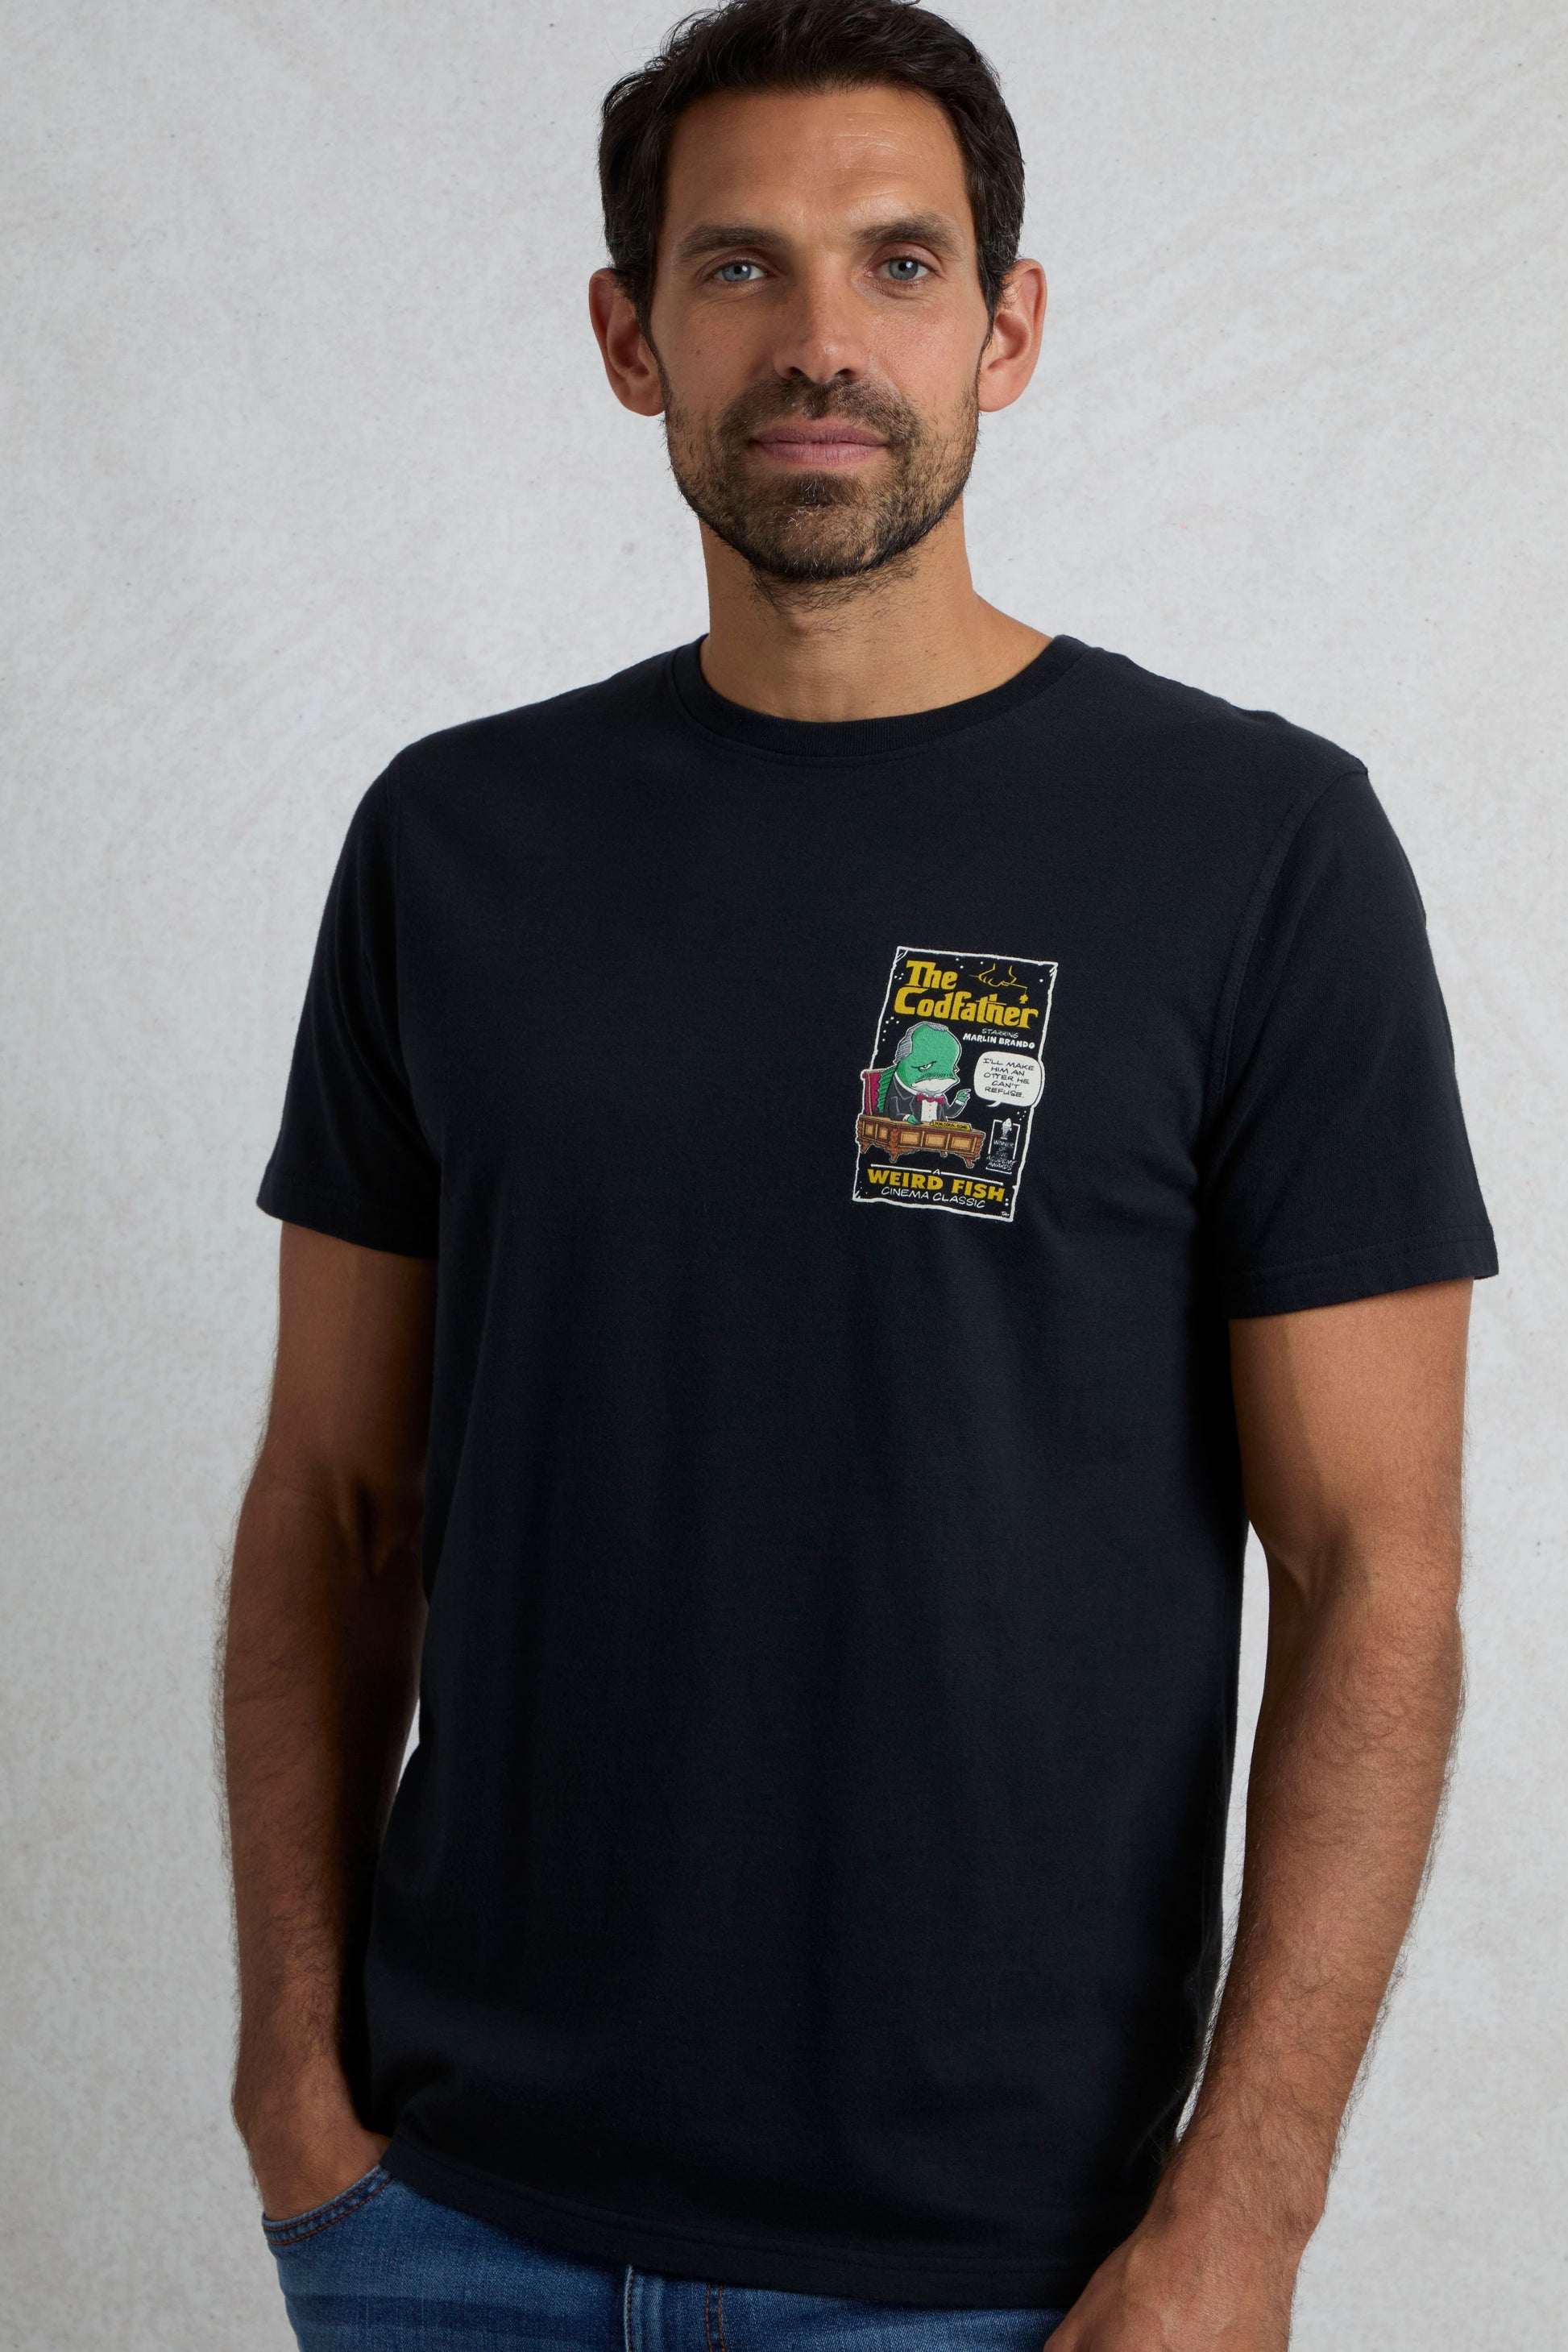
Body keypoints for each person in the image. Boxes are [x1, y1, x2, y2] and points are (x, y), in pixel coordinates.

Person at [221, 2, 1497, 2346]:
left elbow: (1370, 1573)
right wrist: (293, 2084)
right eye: (738, 267)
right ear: (630, 339)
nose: (822, 338)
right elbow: (334, 1499)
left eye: (899, 263)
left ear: (1006, 329)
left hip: (1001, 2279)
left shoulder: (1254, 849)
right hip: (448, 2235)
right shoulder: (454, 843)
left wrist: (1246, 2216)